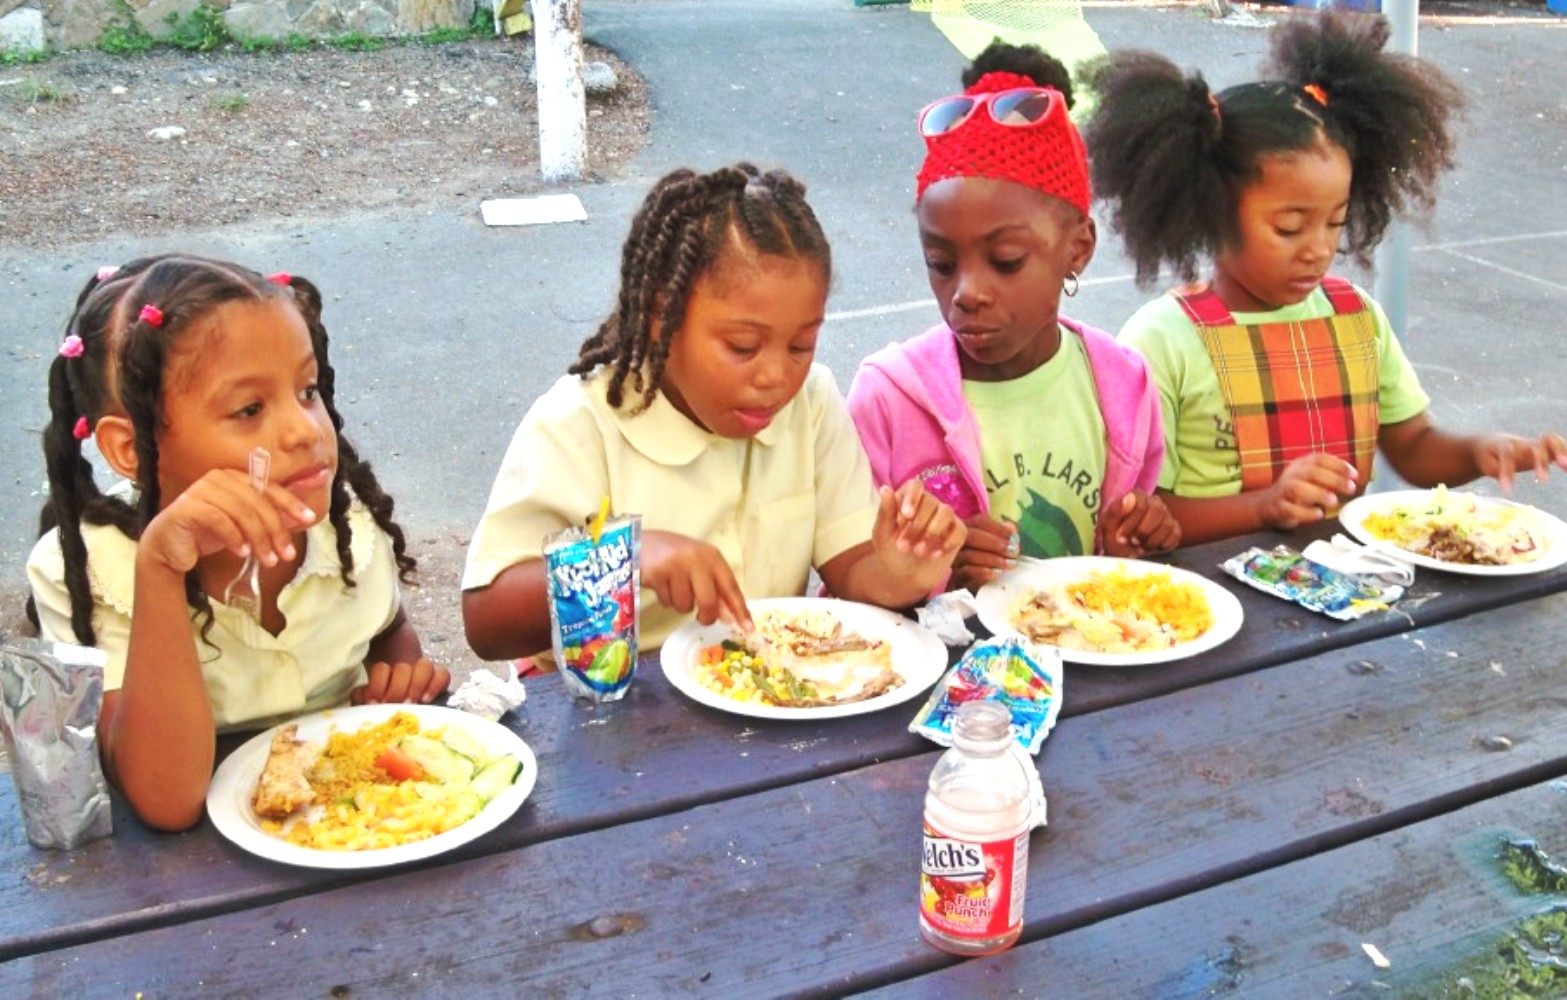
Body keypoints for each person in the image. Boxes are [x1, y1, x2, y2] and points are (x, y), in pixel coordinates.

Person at [1084, 11, 1567, 545]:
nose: (1318, 248)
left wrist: (1479, 451)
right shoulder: (1162, 341)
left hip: (1348, 597)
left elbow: (1414, 446)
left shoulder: (1357, 318)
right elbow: (1154, 515)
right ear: (1211, 210)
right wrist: (1267, 506)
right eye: (1289, 227)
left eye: (1335, 222)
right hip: (1211, 602)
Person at [462, 163, 967, 664]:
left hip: (764, 694)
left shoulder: (810, 404)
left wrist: (901, 572)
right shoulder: (579, 425)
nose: (775, 376)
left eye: (800, 345)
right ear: (664, 317)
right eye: (743, 346)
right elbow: (487, 622)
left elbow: (853, 571)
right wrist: (626, 560)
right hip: (608, 709)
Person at [26, 255, 449, 831]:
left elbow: (386, 631)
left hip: (348, 835)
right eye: (249, 409)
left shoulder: (343, 529)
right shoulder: (94, 570)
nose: (305, 431)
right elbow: (166, 802)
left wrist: (398, 674)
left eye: (306, 391)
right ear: (130, 449)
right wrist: (159, 569)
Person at [847, 42, 1177, 594]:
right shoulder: (886, 402)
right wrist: (931, 573)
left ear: (1077, 248)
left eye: (1005, 262)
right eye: (941, 264)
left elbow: (1126, 557)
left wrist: (1138, 541)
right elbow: (848, 591)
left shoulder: (1123, 386)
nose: (968, 293)